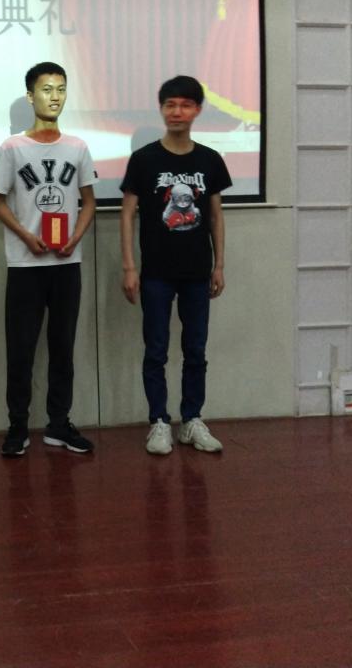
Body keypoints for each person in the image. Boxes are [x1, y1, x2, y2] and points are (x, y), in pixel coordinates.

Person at [119, 75, 232, 455]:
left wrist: (219, 265)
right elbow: (127, 213)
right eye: (170, 105)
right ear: (161, 109)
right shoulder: (144, 159)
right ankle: (159, 421)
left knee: (195, 350)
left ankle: (192, 420)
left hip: (198, 273)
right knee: (156, 350)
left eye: (185, 105)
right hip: (155, 273)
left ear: (197, 110)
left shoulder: (209, 159)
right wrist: (129, 267)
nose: (177, 112)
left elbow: (215, 215)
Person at [0, 62, 97, 457]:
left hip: (66, 265)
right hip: (26, 264)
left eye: (61, 89)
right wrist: (26, 235)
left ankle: (58, 424)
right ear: (30, 96)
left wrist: (75, 238)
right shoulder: (12, 147)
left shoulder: (77, 147)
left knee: (63, 349)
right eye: (46, 89)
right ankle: (17, 426)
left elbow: (89, 202)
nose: (55, 97)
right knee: (20, 350)